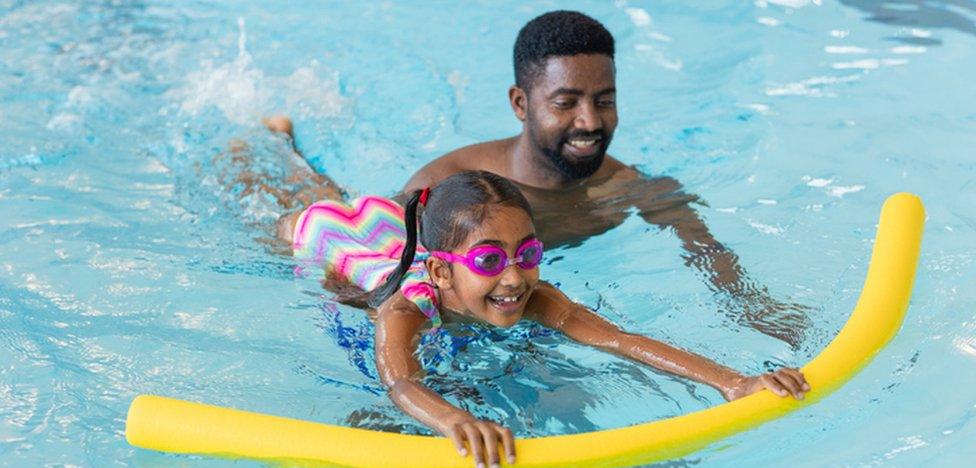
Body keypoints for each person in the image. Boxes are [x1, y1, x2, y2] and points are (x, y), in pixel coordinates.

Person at [266, 10, 811, 350]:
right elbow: (391, 256)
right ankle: (272, 145)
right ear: (521, 103)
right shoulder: (451, 182)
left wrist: (755, 311)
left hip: (505, 293)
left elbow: (707, 252)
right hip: (365, 231)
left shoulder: (634, 189)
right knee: (306, 203)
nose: (591, 122)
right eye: (566, 103)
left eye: (605, 101)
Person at [279, 170, 810, 468]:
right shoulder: (404, 310)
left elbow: (620, 340)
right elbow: (400, 382)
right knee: (295, 198)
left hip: (397, 231)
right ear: (440, 271)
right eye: (490, 261)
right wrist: (455, 420)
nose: (513, 278)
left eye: (527, 253)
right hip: (336, 244)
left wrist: (735, 382)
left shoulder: (530, 293)